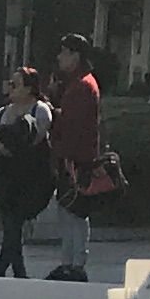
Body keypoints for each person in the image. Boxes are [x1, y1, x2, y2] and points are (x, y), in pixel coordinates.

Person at [45, 33, 105, 280]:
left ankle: (75, 263)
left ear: (75, 55)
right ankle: (70, 261)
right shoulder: (81, 83)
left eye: (64, 52)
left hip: (75, 160)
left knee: (74, 212)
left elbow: (72, 126)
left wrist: (59, 154)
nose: (60, 57)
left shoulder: (81, 86)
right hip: (77, 157)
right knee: (71, 211)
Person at [0, 63, 55, 280]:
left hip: (33, 179)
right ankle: (18, 272)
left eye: (16, 84)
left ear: (29, 88)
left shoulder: (40, 110)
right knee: (11, 223)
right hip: (7, 179)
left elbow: (32, 141)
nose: (11, 87)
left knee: (15, 221)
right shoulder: (1, 113)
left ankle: (2, 269)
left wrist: (6, 144)